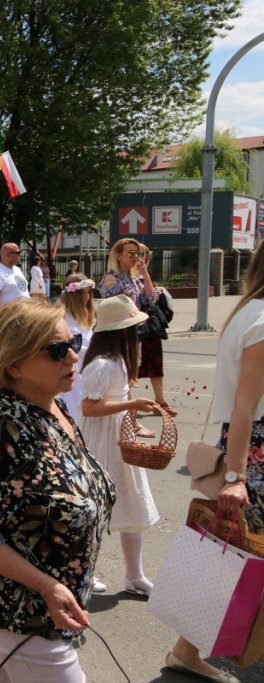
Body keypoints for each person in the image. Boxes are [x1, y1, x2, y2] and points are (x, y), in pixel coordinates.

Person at [0, 300, 115, 682]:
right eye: (57, 350)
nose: (72, 356)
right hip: (23, 613)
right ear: (14, 365)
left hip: (47, 608)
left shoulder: (51, 408)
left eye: (74, 342)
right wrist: (49, 587)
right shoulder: (3, 431)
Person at [166, 245, 264, 683]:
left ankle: (187, 649)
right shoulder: (261, 320)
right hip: (256, 450)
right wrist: (236, 478)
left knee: (231, 553)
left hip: (249, 445)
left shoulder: (248, 313)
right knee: (234, 553)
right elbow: (245, 408)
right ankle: (187, 649)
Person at [78, 295, 159, 600]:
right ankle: (83, 572)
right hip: (101, 439)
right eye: (132, 327)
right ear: (119, 331)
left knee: (132, 502)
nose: (137, 333)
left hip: (121, 435)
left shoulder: (119, 361)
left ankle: (134, 575)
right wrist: (132, 404)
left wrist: (134, 420)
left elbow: (120, 399)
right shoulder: (101, 364)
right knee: (94, 508)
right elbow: (89, 408)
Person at [99, 239, 175, 418]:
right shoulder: (111, 278)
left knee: (130, 375)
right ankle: (130, 419)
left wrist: (145, 274)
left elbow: (150, 300)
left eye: (138, 253)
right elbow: (111, 307)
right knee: (122, 375)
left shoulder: (134, 279)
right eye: (132, 253)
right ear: (119, 256)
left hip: (135, 333)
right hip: (118, 333)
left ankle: (129, 419)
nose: (136, 257)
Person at [58, 274, 96, 420]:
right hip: (72, 375)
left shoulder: (87, 316)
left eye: (88, 292)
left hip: (86, 373)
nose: (86, 296)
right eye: (82, 293)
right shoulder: (64, 318)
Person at [0, 243, 30, 313]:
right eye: (18, 253)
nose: (20, 255)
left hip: (23, 316)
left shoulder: (17, 269)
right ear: (9, 255)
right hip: (9, 319)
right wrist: (1, 319)